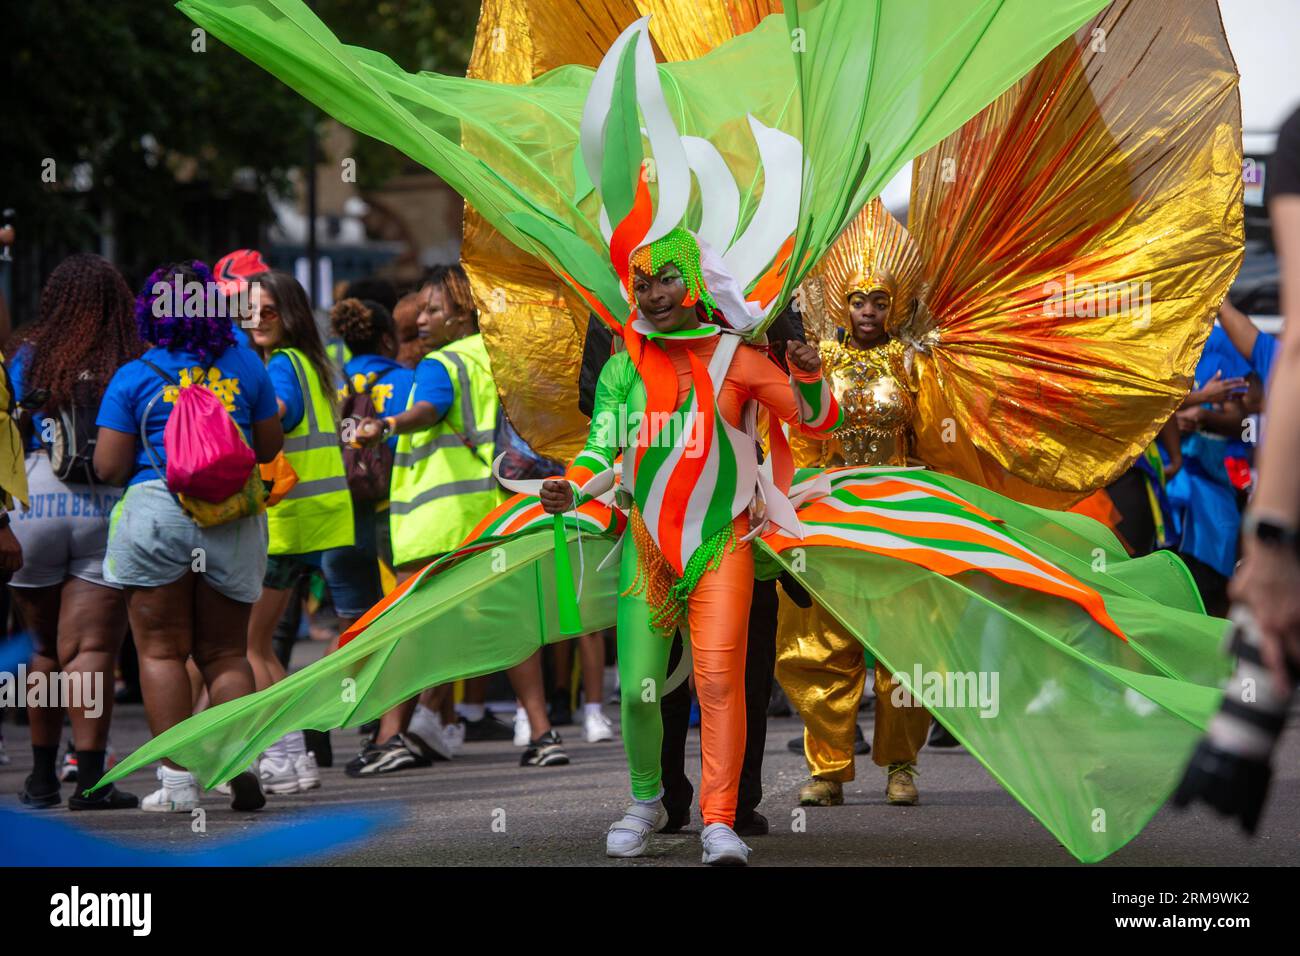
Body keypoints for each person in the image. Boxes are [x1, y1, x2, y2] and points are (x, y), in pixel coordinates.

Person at [540, 227, 843, 865]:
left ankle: (719, 820)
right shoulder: (624, 365)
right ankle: (645, 802)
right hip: (646, 547)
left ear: (697, 281)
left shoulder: (737, 359)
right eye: (641, 283)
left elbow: (815, 420)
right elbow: (600, 449)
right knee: (640, 688)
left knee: (719, 684)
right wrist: (569, 487)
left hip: (722, 543)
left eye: (667, 280)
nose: (652, 295)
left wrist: (811, 376)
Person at [353, 264, 564, 771]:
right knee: (511, 623)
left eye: (433, 309)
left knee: (404, 627)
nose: (421, 319)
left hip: (434, 518)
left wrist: (384, 424)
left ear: (462, 313)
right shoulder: (498, 359)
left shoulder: (440, 363)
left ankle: (389, 739)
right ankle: (542, 732)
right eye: (420, 310)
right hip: (493, 513)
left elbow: (428, 408)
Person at [94, 260, 279, 813]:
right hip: (232, 517)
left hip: (157, 513)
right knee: (225, 653)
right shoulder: (245, 363)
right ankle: (237, 762)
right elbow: (268, 449)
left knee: (161, 652)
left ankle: (177, 782)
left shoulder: (135, 374)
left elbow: (108, 465)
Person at [776, 266, 933, 809]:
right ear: (842, 304)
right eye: (858, 301)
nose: (868, 312)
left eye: (879, 302)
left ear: (896, 307)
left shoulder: (912, 362)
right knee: (823, 639)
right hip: (834, 507)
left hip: (899, 509)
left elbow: (931, 437)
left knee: (903, 640)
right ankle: (827, 770)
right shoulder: (821, 358)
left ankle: (901, 765)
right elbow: (803, 434)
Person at [8, 254, 141, 810]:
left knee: (43, 649)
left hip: (33, 498)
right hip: (105, 504)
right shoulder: (129, 359)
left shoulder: (27, 358)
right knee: (90, 649)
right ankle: (89, 781)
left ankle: (40, 778)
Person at [243, 270, 354, 793]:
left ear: (289, 315)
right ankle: (299, 758)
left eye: (267, 311)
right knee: (260, 644)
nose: (256, 320)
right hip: (317, 519)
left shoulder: (282, 363)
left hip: (288, 522)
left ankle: (285, 755)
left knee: (252, 646)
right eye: (249, 311)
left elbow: (278, 412)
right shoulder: (310, 360)